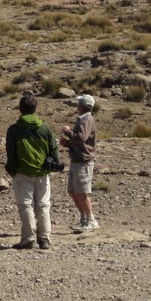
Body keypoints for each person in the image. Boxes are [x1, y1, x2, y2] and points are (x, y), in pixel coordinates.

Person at [4, 93, 58, 250]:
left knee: (25, 204)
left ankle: (28, 238)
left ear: (20, 109)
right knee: (43, 205)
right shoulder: (45, 128)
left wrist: (12, 169)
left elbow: (11, 153)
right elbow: (53, 150)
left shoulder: (14, 130)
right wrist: (52, 165)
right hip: (42, 172)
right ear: (35, 108)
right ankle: (44, 238)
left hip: (22, 172)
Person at [61, 93, 98, 231]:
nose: (77, 106)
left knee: (82, 192)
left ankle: (90, 219)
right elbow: (80, 142)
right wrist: (68, 144)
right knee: (73, 191)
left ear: (83, 106)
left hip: (83, 161)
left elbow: (81, 138)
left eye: (79, 104)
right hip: (77, 160)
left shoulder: (86, 120)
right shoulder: (83, 119)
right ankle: (83, 218)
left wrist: (68, 131)